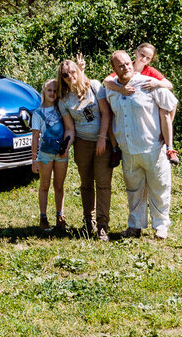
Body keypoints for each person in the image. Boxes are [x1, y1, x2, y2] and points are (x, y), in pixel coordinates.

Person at [103, 49, 178, 240]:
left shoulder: (147, 83)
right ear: (114, 68)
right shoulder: (111, 89)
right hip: (128, 150)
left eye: (128, 63)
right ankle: (134, 226)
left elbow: (171, 104)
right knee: (133, 190)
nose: (126, 67)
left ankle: (161, 226)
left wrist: (165, 134)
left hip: (152, 147)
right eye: (120, 65)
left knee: (159, 187)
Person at [56, 58, 113, 241]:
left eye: (73, 72)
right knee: (86, 184)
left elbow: (106, 113)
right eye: (65, 75)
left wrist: (103, 138)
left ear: (78, 70)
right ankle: (89, 222)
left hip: (102, 141)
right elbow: (70, 129)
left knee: (103, 183)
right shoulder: (63, 99)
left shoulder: (95, 86)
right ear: (62, 78)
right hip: (82, 143)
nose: (70, 76)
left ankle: (103, 225)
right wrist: (66, 146)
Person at [104, 43, 180, 164]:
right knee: (110, 112)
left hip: (148, 108)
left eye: (148, 58)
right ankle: (115, 149)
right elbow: (107, 81)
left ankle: (169, 147)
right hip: (126, 103)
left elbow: (169, 85)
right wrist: (120, 89)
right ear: (136, 52)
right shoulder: (126, 65)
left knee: (165, 110)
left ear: (151, 60)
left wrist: (157, 83)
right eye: (142, 55)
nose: (143, 59)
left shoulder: (150, 71)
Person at [30, 78, 70, 232]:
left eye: (55, 91)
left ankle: (60, 216)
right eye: (49, 90)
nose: (52, 93)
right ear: (44, 92)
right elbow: (35, 137)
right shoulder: (38, 113)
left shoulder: (61, 109)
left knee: (59, 186)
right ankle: (43, 217)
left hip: (60, 154)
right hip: (45, 155)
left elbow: (69, 128)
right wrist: (34, 159)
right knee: (44, 186)